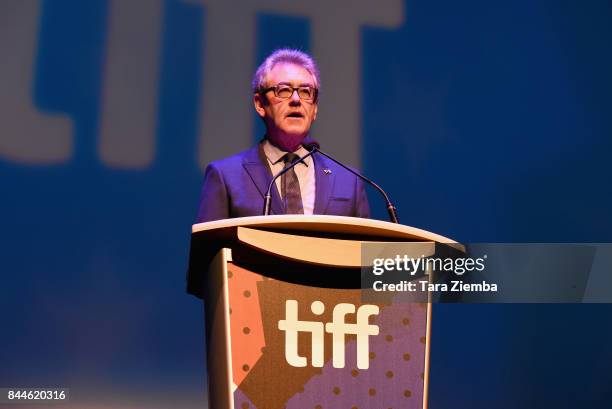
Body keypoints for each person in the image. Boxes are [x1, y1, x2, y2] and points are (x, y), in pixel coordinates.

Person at [196, 48, 370, 222]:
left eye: (305, 92)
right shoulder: (225, 176)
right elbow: (208, 249)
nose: (296, 99)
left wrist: (394, 250)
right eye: (284, 90)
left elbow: (367, 247)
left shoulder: (349, 181)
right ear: (260, 104)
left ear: (315, 108)